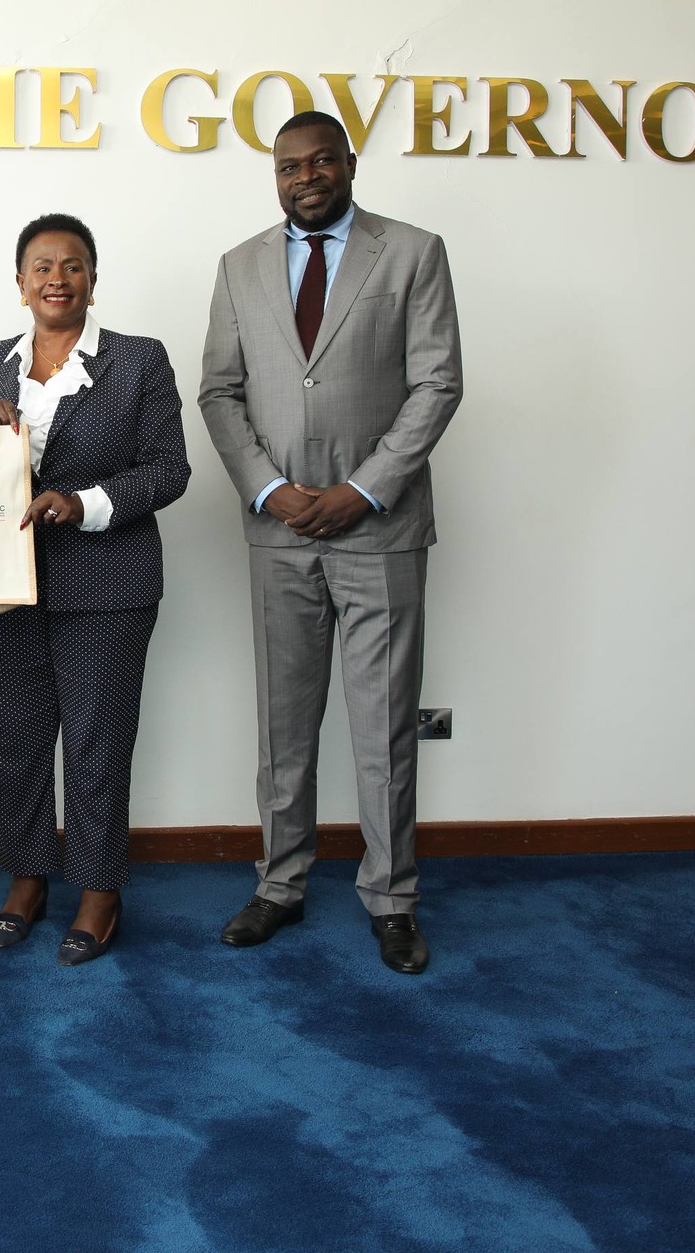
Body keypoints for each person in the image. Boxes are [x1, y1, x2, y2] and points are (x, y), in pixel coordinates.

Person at [197, 111, 462, 975]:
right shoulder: (239, 268)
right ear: (273, 176)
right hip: (278, 531)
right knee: (285, 721)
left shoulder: (414, 253)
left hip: (378, 529)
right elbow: (220, 394)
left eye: (320, 162)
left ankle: (392, 899)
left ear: (349, 163)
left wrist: (362, 489)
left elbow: (437, 383)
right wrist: (272, 490)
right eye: (287, 167)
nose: (304, 177)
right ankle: (280, 884)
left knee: (384, 722)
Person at [0, 213, 190, 966]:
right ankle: (27, 879)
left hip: (108, 579)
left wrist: (79, 502)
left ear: (93, 277)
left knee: (96, 743)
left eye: (73, 266)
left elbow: (167, 469)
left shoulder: (138, 361)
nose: (57, 279)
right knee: (18, 741)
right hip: (5, 581)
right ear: (20, 282)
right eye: (42, 267)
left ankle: (98, 890)